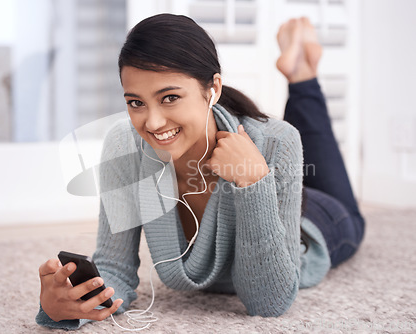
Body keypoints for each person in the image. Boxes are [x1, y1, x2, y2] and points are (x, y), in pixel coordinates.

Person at [36, 14, 365, 329]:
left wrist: (253, 181)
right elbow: (114, 268)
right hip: (283, 191)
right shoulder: (124, 145)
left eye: (170, 97)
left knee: (347, 208)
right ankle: (300, 70)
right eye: (136, 102)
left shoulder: (277, 143)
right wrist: (74, 304)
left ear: (214, 89)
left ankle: (302, 75)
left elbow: (270, 302)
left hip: (316, 223)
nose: (152, 122)